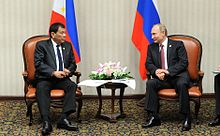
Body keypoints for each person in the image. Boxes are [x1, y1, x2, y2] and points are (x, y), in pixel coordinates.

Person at [142, 24, 191, 131]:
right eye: (151, 34)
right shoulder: (151, 47)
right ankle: (154, 116)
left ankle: (186, 116)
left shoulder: (178, 44)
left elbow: (183, 63)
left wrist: (167, 71)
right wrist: (156, 71)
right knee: (151, 83)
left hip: (177, 76)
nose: (152, 37)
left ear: (163, 33)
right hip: (162, 79)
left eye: (154, 34)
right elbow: (148, 63)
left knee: (182, 84)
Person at [34, 22, 79, 135]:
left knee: (72, 86)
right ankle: (46, 121)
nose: (65, 35)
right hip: (46, 78)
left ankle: (63, 118)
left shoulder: (68, 45)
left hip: (62, 79)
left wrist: (69, 70)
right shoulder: (42, 45)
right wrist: (53, 72)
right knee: (42, 88)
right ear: (53, 34)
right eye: (62, 33)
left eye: (65, 33)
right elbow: (38, 64)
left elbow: (73, 64)